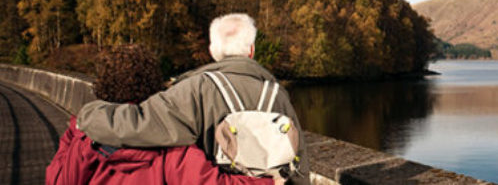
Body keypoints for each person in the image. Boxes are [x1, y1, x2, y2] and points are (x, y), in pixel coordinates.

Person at [77, 13, 309, 184]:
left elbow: (137, 124)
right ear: (251, 51)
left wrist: (90, 113)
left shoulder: (196, 89)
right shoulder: (278, 95)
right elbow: (299, 166)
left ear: (213, 50)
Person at [46, 44, 272, 185]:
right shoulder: (170, 141)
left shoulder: (81, 134)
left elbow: (57, 180)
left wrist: (78, 144)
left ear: (102, 87)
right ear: (153, 86)